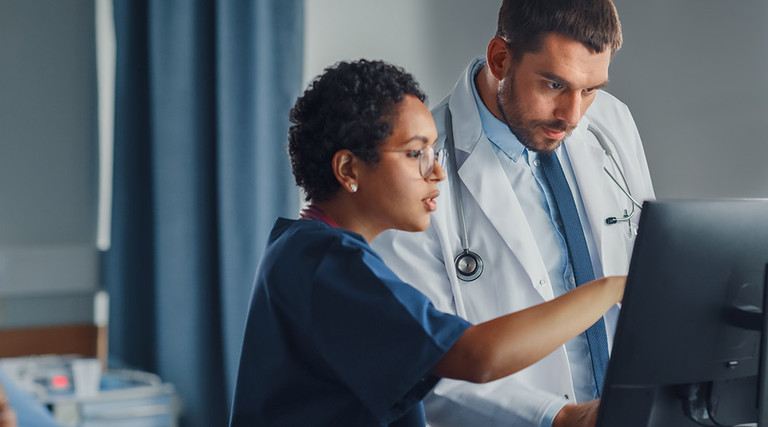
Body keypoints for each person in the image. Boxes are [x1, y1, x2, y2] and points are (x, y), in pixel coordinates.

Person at [228, 59, 625, 426]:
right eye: (415, 153)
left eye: (433, 151)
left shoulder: (304, 250)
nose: (436, 171)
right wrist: (615, 286)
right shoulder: (328, 262)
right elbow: (475, 356)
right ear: (349, 168)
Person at [371, 1, 655, 426]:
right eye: (555, 84)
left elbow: (650, 277)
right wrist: (561, 418)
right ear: (500, 59)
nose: (573, 115)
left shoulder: (612, 123)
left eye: (591, 88)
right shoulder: (417, 169)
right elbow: (423, 361)